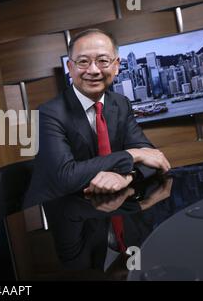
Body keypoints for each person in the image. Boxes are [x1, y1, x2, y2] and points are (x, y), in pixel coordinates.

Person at [23, 28, 171, 267]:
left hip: (114, 212)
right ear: (70, 68)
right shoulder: (49, 113)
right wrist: (132, 155)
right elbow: (66, 177)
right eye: (83, 62)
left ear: (116, 65)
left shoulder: (120, 104)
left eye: (103, 61)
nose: (93, 70)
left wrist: (127, 176)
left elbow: (153, 159)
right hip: (68, 226)